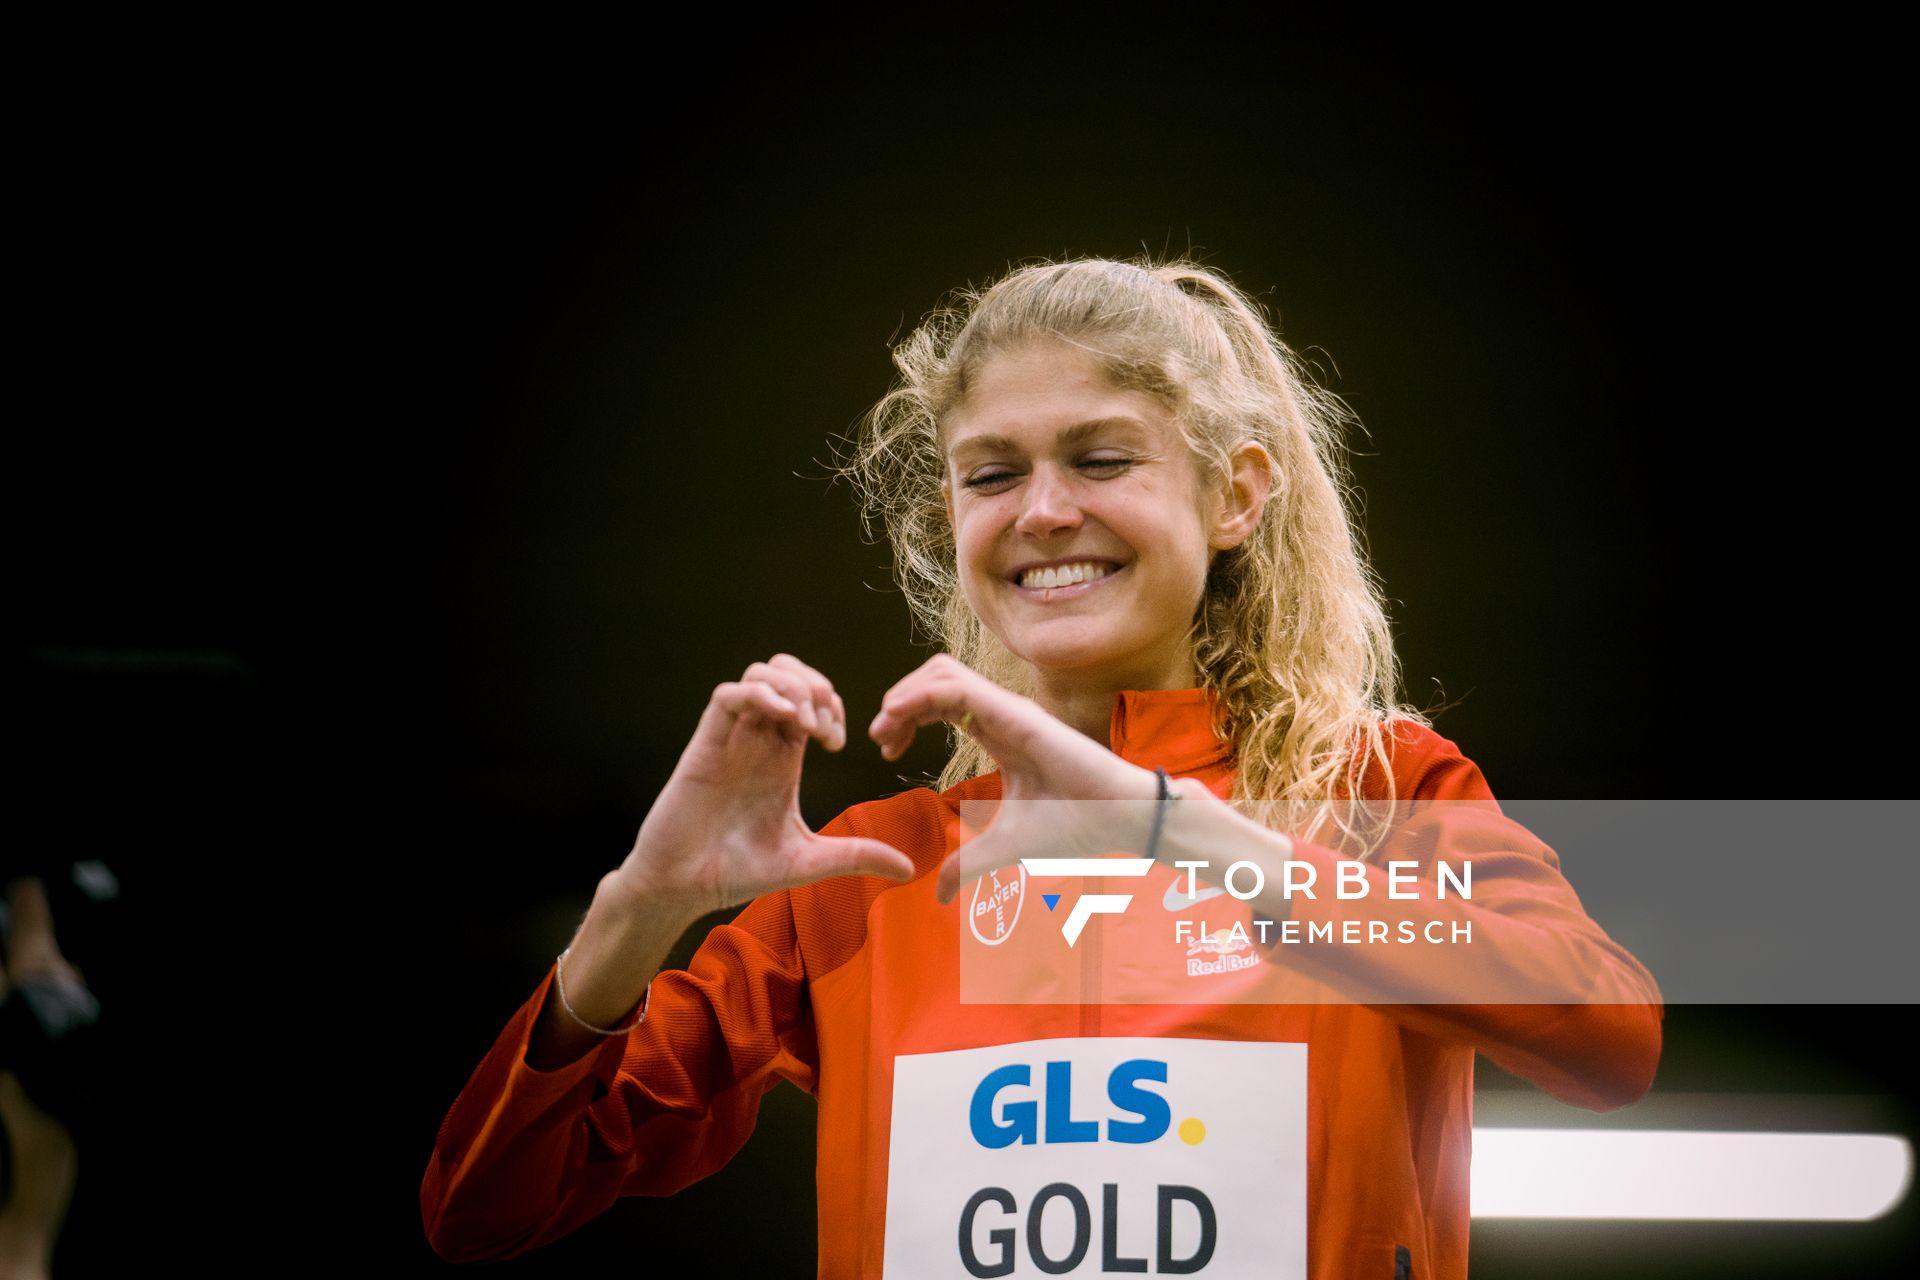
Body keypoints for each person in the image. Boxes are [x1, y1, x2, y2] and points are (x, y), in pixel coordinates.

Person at [421, 257, 1662, 1278]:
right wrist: (638, 909)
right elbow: (481, 1208)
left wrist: (1176, 828)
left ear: (1236, 494)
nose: (1043, 510)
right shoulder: (873, 871)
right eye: (993, 473)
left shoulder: (1378, 791)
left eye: (1103, 458)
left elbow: (1612, 1034)